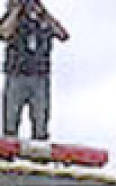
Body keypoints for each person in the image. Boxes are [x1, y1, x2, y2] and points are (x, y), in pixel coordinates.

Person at [0, 0, 68, 141]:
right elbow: (4, 33)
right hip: (16, 75)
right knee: (10, 122)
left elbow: (63, 35)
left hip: (40, 77)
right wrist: (17, 10)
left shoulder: (43, 21)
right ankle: (9, 155)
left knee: (40, 122)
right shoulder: (12, 18)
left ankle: (40, 153)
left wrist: (43, 12)